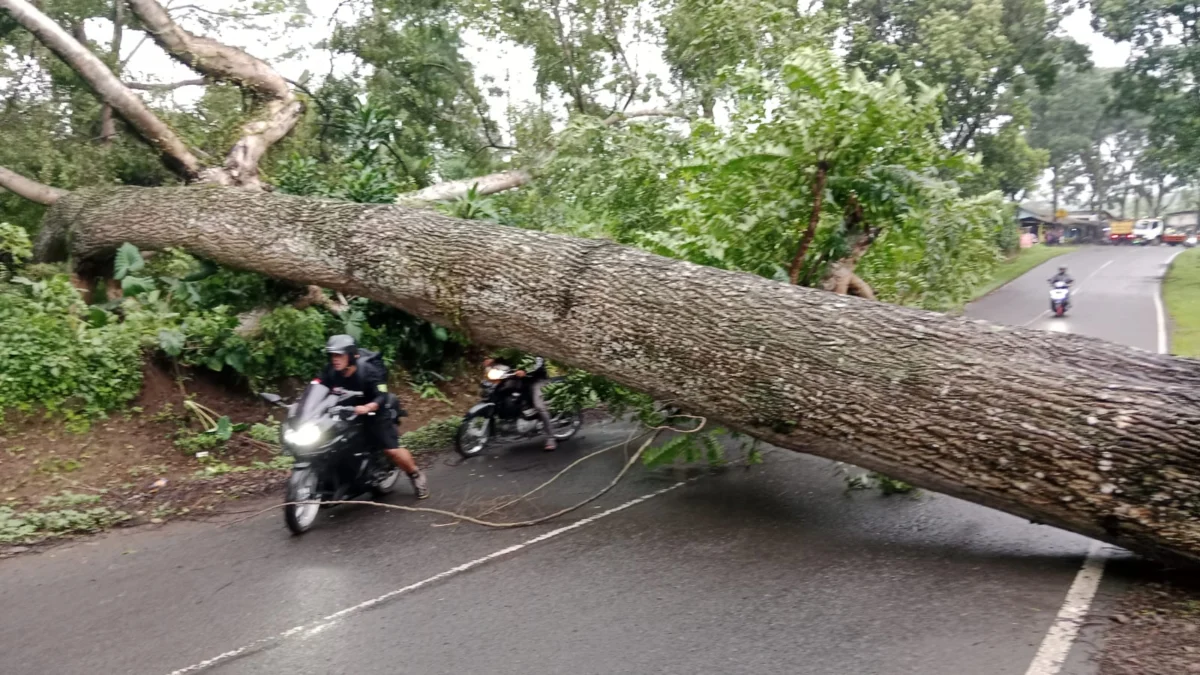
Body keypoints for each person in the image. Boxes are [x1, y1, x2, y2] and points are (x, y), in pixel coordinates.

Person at [317, 335, 428, 499]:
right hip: (345, 412)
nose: (335, 359)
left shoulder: (369, 370)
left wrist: (369, 406)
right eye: (333, 355)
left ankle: (416, 475)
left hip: (374, 413)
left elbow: (382, 394)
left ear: (351, 355)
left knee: (391, 450)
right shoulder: (331, 371)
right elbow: (317, 386)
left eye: (340, 355)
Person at [484, 355, 558, 451]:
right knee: (500, 392)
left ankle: (551, 437)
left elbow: (538, 364)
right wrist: (493, 360)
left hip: (537, 380)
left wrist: (526, 371)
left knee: (539, 406)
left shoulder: (536, 349)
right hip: (518, 379)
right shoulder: (516, 349)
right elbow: (507, 355)